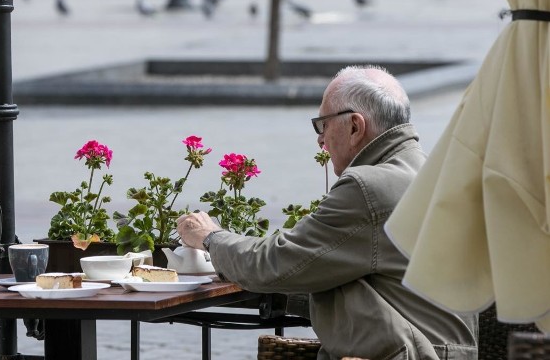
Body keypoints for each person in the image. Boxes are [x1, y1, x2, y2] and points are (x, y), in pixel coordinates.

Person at [177, 66, 478, 360]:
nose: (320, 139)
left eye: (324, 124)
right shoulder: (433, 174)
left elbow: (273, 263)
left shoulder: (369, 188)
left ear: (355, 126)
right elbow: (370, 279)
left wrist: (209, 237)